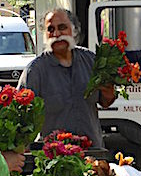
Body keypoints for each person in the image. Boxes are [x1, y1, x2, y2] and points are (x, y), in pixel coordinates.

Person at [18, 9, 115, 147]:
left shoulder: (91, 61)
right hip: (54, 157)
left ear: (74, 30)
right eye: (50, 29)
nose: (56, 34)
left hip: (92, 152)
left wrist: (109, 91)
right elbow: (21, 117)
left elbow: (106, 101)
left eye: (62, 27)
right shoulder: (35, 70)